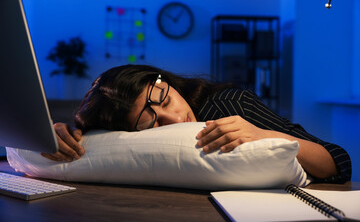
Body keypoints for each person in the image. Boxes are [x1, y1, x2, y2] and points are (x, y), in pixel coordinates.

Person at [41, 64, 352, 183]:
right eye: (152, 124)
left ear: (162, 79)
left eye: (164, 99)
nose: (177, 117)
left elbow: (338, 161)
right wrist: (61, 132)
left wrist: (261, 134)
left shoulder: (230, 104)